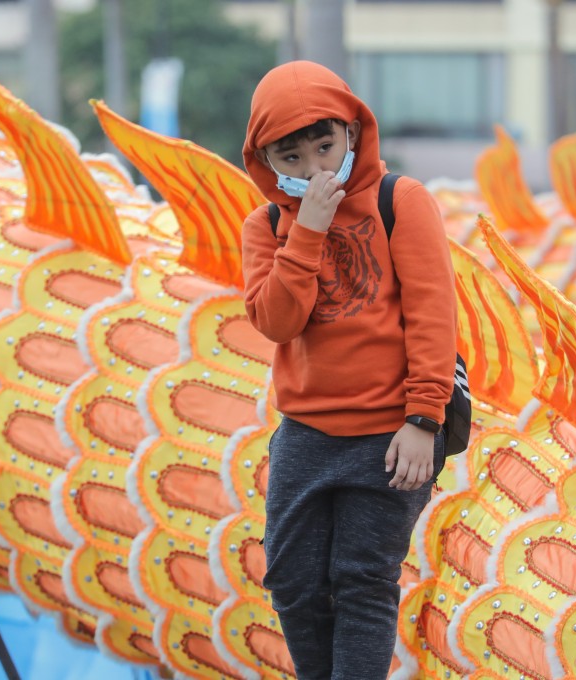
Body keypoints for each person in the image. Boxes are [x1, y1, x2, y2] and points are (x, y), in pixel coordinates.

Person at [241, 61, 457, 679]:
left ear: (353, 135)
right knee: (292, 579)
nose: (313, 167)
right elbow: (278, 321)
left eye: (325, 145)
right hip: (306, 431)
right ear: (266, 160)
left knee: (362, 579)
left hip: (392, 429)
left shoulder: (402, 201)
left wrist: (423, 418)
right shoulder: (264, 228)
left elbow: (432, 315)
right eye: (293, 154)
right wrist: (306, 230)